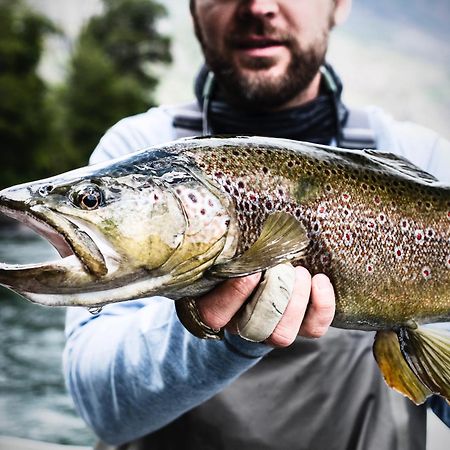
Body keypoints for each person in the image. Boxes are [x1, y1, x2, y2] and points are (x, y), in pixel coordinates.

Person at [63, 1, 450, 449]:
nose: (258, 6)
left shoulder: (425, 160)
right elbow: (103, 410)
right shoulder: (133, 151)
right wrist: (223, 340)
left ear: (339, 5)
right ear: (192, 10)